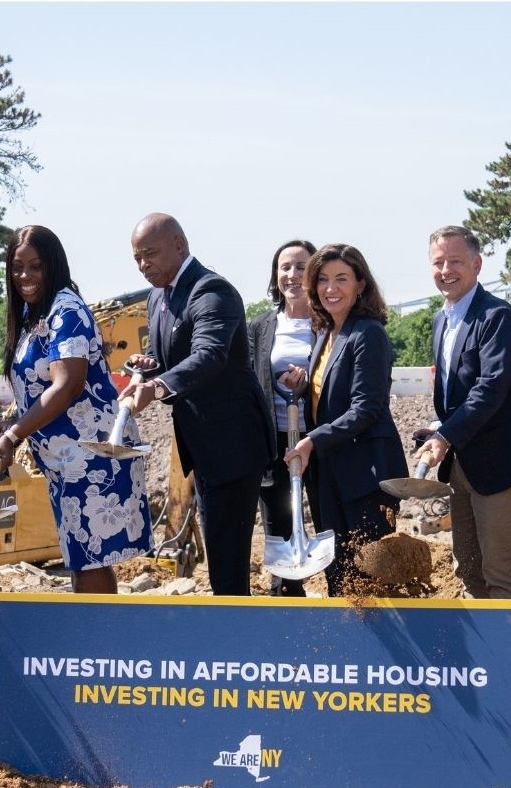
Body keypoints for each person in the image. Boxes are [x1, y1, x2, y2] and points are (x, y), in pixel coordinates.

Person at [0, 225, 152, 593]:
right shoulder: (36, 314)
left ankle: (102, 645)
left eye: (36, 266)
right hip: (65, 460)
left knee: (89, 558)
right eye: (17, 267)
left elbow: (67, 384)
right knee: (80, 556)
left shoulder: (67, 310)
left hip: (92, 456)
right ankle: (97, 644)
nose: (25, 276)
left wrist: (15, 435)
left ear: (54, 266)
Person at [120, 213, 271, 596]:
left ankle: (236, 638)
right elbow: (161, 351)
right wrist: (144, 367)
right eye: (137, 258)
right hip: (202, 445)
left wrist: (155, 387)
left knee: (228, 553)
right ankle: (228, 625)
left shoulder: (212, 292)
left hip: (234, 442)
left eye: (150, 255)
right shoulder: (158, 295)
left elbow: (209, 355)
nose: (143, 265)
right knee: (219, 549)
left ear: (179, 245)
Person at [414, 226, 511, 606]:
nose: (446, 270)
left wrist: (446, 435)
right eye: (438, 262)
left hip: (498, 465)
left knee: (499, 570)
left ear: (477, 264)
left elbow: (491, 388)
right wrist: (438, 428)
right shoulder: (441, 320)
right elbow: (455, 394)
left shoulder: (496, 316)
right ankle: (480, 659)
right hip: (460, 464)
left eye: (455, 261)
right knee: (466, 566)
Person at [280, 244, 407, 592]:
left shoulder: (368, 334)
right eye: (323, 279)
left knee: (371, 576)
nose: (330, 288)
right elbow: (333, 396)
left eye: (341, 279)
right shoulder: (326, 333)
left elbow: (367, 408)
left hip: (365, 475)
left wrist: (312, 440)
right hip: (332, 472)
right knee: (338, 572)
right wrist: (304, 388)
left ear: (361, 284)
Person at [246, 239, 318, 597]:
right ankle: (286, 599)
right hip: (273, 442)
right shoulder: (259, 327)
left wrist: (305, 386)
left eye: (301, 266)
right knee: (279, 526)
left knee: (326, 521)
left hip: (320, 439)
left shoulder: (330, 324)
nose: (292, 275)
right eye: (284, 268)